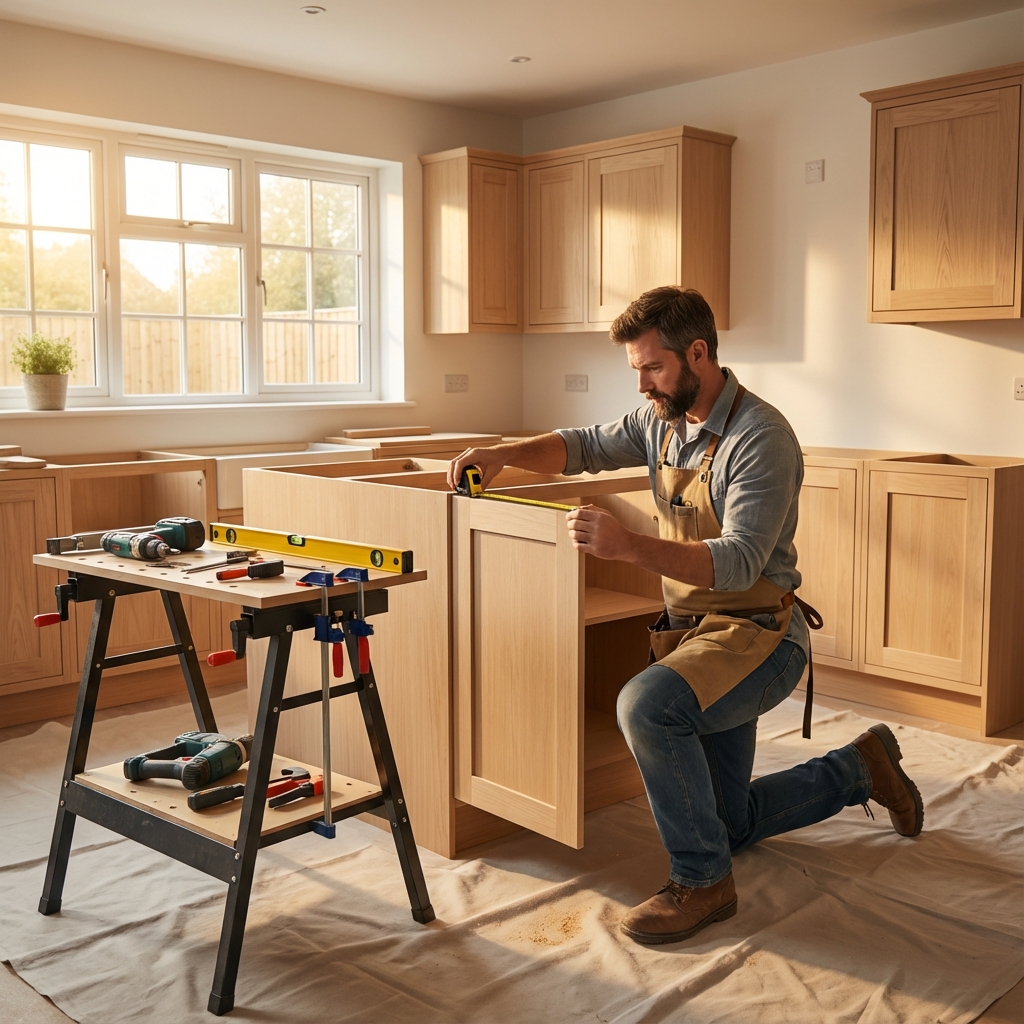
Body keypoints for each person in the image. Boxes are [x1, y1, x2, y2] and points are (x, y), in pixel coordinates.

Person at [447, 286, 923, 945]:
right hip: (696, 641)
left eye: (652, 367)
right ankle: (858, 768)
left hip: (759, 637)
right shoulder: (660, 421)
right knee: (728, 823)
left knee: (646, 707)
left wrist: (626, 546)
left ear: (698, 353)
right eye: (635, 370)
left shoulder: (761, 438)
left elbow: (738, 561)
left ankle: (703, 882)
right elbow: (581, 445)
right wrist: (504, 454)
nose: (642, 383)